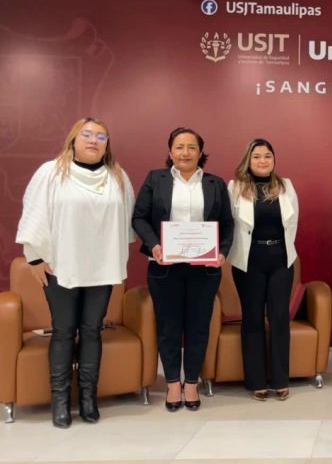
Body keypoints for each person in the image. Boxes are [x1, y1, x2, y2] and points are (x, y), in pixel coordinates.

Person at [16, 117, 135, 428]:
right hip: (61, 266)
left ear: (107, 144)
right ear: (73, 139)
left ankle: (87, 398)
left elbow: (125, 223)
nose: (93, 140)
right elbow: (34, 214)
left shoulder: (117, 177)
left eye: (101, 136)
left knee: (92, 330)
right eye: (86, 134)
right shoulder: (52, 172)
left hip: (101, 267)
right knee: (64, 330)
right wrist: (34, 258)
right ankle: (59, 400)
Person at [132, 127, 234, 412]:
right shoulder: (156, 179)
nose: (185, 152)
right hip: (164, 266)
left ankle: (192, 382)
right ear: (170, 152)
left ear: (201, 153)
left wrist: (223, 252)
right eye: (179, 147)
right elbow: (139, 217)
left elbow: (227, 224)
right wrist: (153, 245)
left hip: (204, 268)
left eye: (191, 147)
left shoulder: (215, 183)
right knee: (168, 327)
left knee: (198, 326)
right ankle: (172, 383)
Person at [227, 139, 298, 402]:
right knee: (253, 318)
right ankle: (256, 380)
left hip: (280, 259)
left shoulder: (285, 185)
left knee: (279, 318)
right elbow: (229, 224)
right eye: (256, 156)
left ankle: (280, 379)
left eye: (268, 156)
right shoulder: (234, 187)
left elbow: (293, 223)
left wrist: (283, 251)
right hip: (249, 261)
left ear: (274, 159)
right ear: (248, 160)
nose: (262, 161)